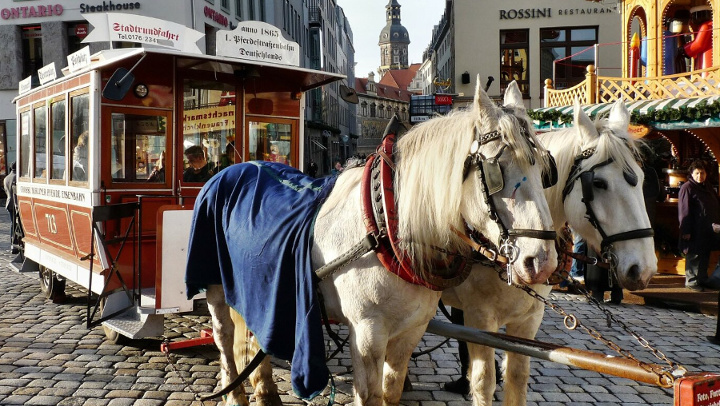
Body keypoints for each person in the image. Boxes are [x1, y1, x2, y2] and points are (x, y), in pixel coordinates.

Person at [678, 159, 720, 291]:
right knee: (694, 255)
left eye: (702, 173)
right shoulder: (687, 188)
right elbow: (684, 211)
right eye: (697, 173)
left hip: (708, 229)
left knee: (704, 255)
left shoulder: (707, 187)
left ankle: (701, 279)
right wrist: (686, 230)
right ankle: (691, 282)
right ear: (692, 173)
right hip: (694, 229)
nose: (700, 176)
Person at [4, 162, 18, 253]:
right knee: (16, 224)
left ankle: (12, 242)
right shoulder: (16, 177)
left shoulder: (6, 178)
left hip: (9, 202)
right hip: (15, 203)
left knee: (13, 224)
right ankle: (15, 242)